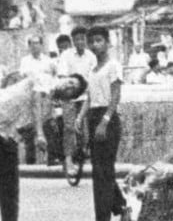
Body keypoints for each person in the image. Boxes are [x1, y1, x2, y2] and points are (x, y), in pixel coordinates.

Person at [1, 72, 88, 221]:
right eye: (70, 81)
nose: (68, 86)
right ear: (64, 78)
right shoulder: (46, 79)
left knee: (10, 186)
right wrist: (40, 134)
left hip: (6, 134)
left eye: (72, 89)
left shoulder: (49, 112)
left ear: (69, 97)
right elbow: (36, 102)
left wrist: (21, 135)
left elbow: (27, 126)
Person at [75, 26, 127, 221]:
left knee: (104, 170)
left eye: (99, 40)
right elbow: (89, 97)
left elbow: (116, 95)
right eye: (92, 42)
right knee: (99, 169)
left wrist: (105, 121)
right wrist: (80, 117)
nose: (95, 45)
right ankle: (121, 206)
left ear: (107, 42)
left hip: (108, 118)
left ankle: (103, 217)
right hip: (93, 117)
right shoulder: (92, 69)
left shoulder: (113, 65)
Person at [57, 26, 96, 174]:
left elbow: (94, 75)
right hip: (70, 96)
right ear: (73, 41)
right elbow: (62, 75)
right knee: (69, 128)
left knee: (86, 130)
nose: (80, 42)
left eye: (82, 39)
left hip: (86, 96)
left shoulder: (91, 56)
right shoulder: (66, 55)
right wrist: (69, 87)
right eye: (77, 39)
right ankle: (68, 160)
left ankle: (84, 152)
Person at [17, 35, 56, 165]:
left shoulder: (48, 61)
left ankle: (52, 158)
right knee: (29, 129)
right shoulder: (25, 61)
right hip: (30, 98)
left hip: (46, 97)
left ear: (41, 45)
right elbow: (23, 77)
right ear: (29, 46)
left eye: (37, 43)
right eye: (32, 44)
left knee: (48, 126)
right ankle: (30, 161)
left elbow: (54, 77)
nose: (35, 46)